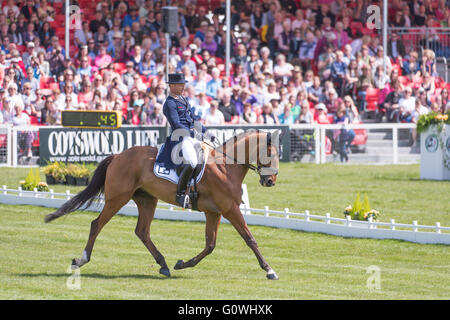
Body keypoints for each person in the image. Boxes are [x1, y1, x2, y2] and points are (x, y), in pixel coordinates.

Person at [162, 73, 214, 208]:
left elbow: (193, 120)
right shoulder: (169, 103)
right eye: (180, 85)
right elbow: (176, 124)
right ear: (171, 86)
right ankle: (180, 195)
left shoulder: (183, 100)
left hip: (191, 136)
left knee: (209, 158)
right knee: (192, 162)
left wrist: (205, 132)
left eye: (183, 84)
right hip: (180, 137)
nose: (182, 87)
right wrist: (193, 133)